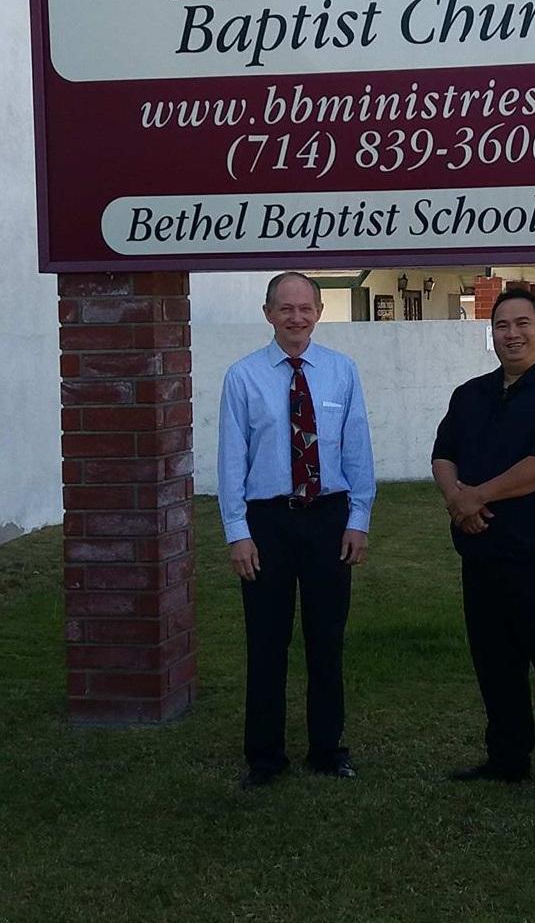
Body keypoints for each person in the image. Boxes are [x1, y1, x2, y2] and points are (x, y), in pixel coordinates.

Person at [431, 288, 535, 808]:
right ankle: (507, 758)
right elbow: (443, 455)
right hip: (482, 556)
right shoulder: (470, 395)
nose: (512, 334)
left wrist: (473, 497)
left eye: (523, 323)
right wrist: (458, 499)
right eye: (502, 325)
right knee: (495, 665)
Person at [218, 271, 375, 788]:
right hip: (268, 522)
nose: (296, 317)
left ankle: (328, 749)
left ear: (319, 311)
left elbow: (356, 453)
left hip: (328, 517)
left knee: (326, 639)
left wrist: (358, 520)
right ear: (268, 314)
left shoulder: (341, 372)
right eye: (285, 308)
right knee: (266, 641)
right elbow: (230, 462)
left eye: (305, 308)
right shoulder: (242, 378)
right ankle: (265, 757)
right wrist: (238, 532)